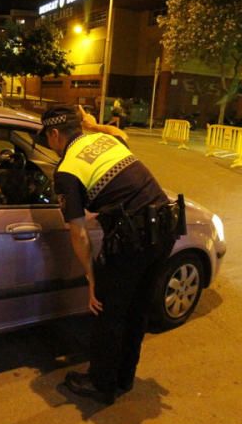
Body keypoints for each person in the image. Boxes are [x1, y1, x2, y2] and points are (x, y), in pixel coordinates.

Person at [36, 105, 180, 405]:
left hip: (133, 241)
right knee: (137, 309)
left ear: (54, 134)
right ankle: (124, 377)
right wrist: (96, 125)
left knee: (108, 311)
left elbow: (77, 232)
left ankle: (101, 384)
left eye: (47, 138)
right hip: (164, 230)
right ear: (82, 125)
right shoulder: (107, 140)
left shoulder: (67, 170)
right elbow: (119, 132)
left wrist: (91, 280)